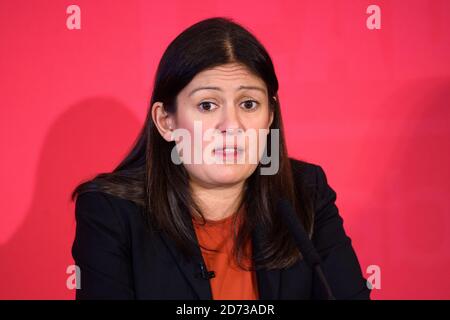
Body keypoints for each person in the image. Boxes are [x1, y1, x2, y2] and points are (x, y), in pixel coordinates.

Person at [71, 17, 370, 300]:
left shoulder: (306, 192)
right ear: (166, 121)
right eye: (207, 105)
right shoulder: (110, 212)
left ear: (269, 117)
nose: (232, 125)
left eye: (249, 104)